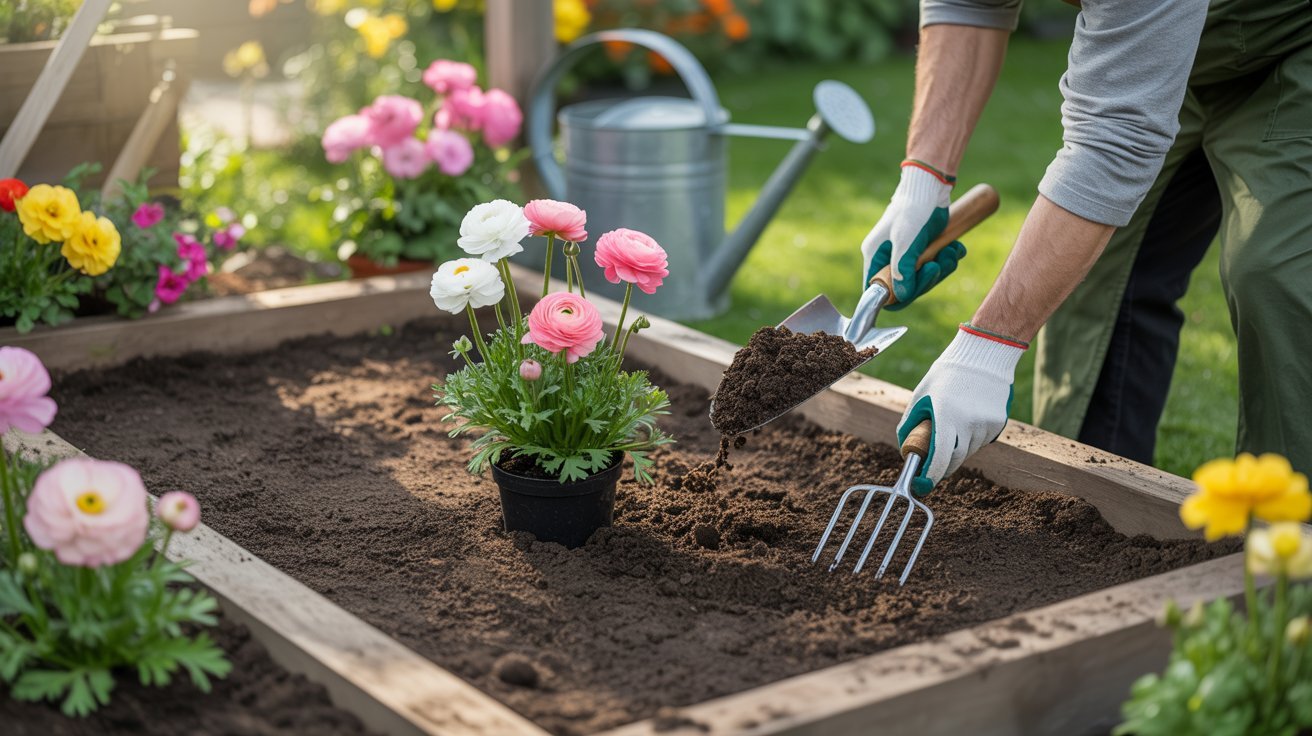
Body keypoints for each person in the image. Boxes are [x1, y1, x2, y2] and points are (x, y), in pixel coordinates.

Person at [862, 0, 1312, 495]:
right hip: (1154, 45)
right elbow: (967, 6)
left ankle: (1288, 541)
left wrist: (985, 351)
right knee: (1087, 274)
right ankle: (1087, 506)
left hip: (1294, 36)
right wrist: (922, 184)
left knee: (1278, 277)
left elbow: (1114, 140)